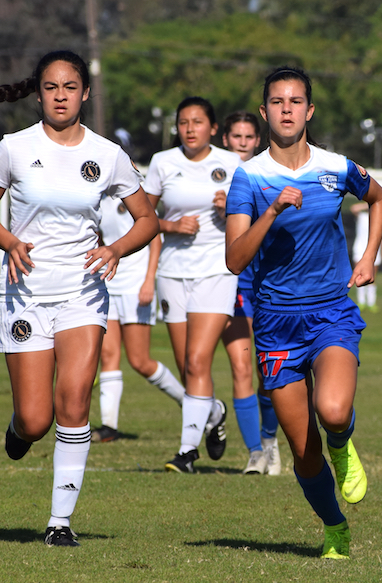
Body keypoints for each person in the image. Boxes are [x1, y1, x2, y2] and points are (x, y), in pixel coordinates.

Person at [0, 50, 159, 546]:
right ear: (38, 94)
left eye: (70, 87)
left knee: (75, 402)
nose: (61, 96)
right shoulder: (13, 148)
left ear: (85, 93)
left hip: (83, 293)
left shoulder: (108, 154)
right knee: (37, 419)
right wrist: (10, 241)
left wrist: (117, 248)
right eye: (52, 87)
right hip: (24, 293)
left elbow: (147, 219)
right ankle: (19, 429)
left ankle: (60, 522)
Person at [225, 66, 382, 560]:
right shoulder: (249, 177)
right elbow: (235, 258)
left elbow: (378, 198)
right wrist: (271, 210)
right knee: (302, 451)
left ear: (309, 111)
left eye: (296, 101)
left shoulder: (335, 166)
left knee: (333, 412)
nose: (287, 109)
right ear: (264, 112)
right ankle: (334, 526)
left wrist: (367, 257)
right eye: (277, 102)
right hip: (275, 324)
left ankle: (343, 442)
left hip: (330, 313)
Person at [144, 97, 262, 474]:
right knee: (185, 366)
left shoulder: (231, 163)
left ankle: (186, 452)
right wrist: (171, 226)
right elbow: (142, 217)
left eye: (197, 122)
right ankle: (213, 410)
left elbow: (258, 213)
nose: (190, 128)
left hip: (217, 271)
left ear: (213, 129)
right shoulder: (163, 163)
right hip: (171, 273)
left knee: (198, 360)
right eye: (183, 122)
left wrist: (234, 208)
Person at [92, 195, 187, 443]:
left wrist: (149, 281)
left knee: (140, 361)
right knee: (108, 355)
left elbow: (154, 238)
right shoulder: (98, 196)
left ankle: (190, 402)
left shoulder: (136, 194)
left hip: (136, 285)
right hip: (109, 282)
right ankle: (109, 426)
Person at [219, 110, 281, 475]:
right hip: (228, 280)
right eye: (236, 137)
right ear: (226, 139)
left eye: (248, 138)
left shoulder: (265, 171)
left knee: (267, 368)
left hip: (269, 278)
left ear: (256, 140)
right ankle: (255, 452)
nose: (242, 143)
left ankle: (271, 438)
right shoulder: (211, 171)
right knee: (241, 365)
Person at [350, 201, 382, 312]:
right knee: (358, 276)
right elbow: (353, 208)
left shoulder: (379, 218)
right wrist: (369, 203)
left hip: (374, 252)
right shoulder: (362, 216)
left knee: (372, 277)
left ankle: (371, 302)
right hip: (359, 250)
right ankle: (361, 301)